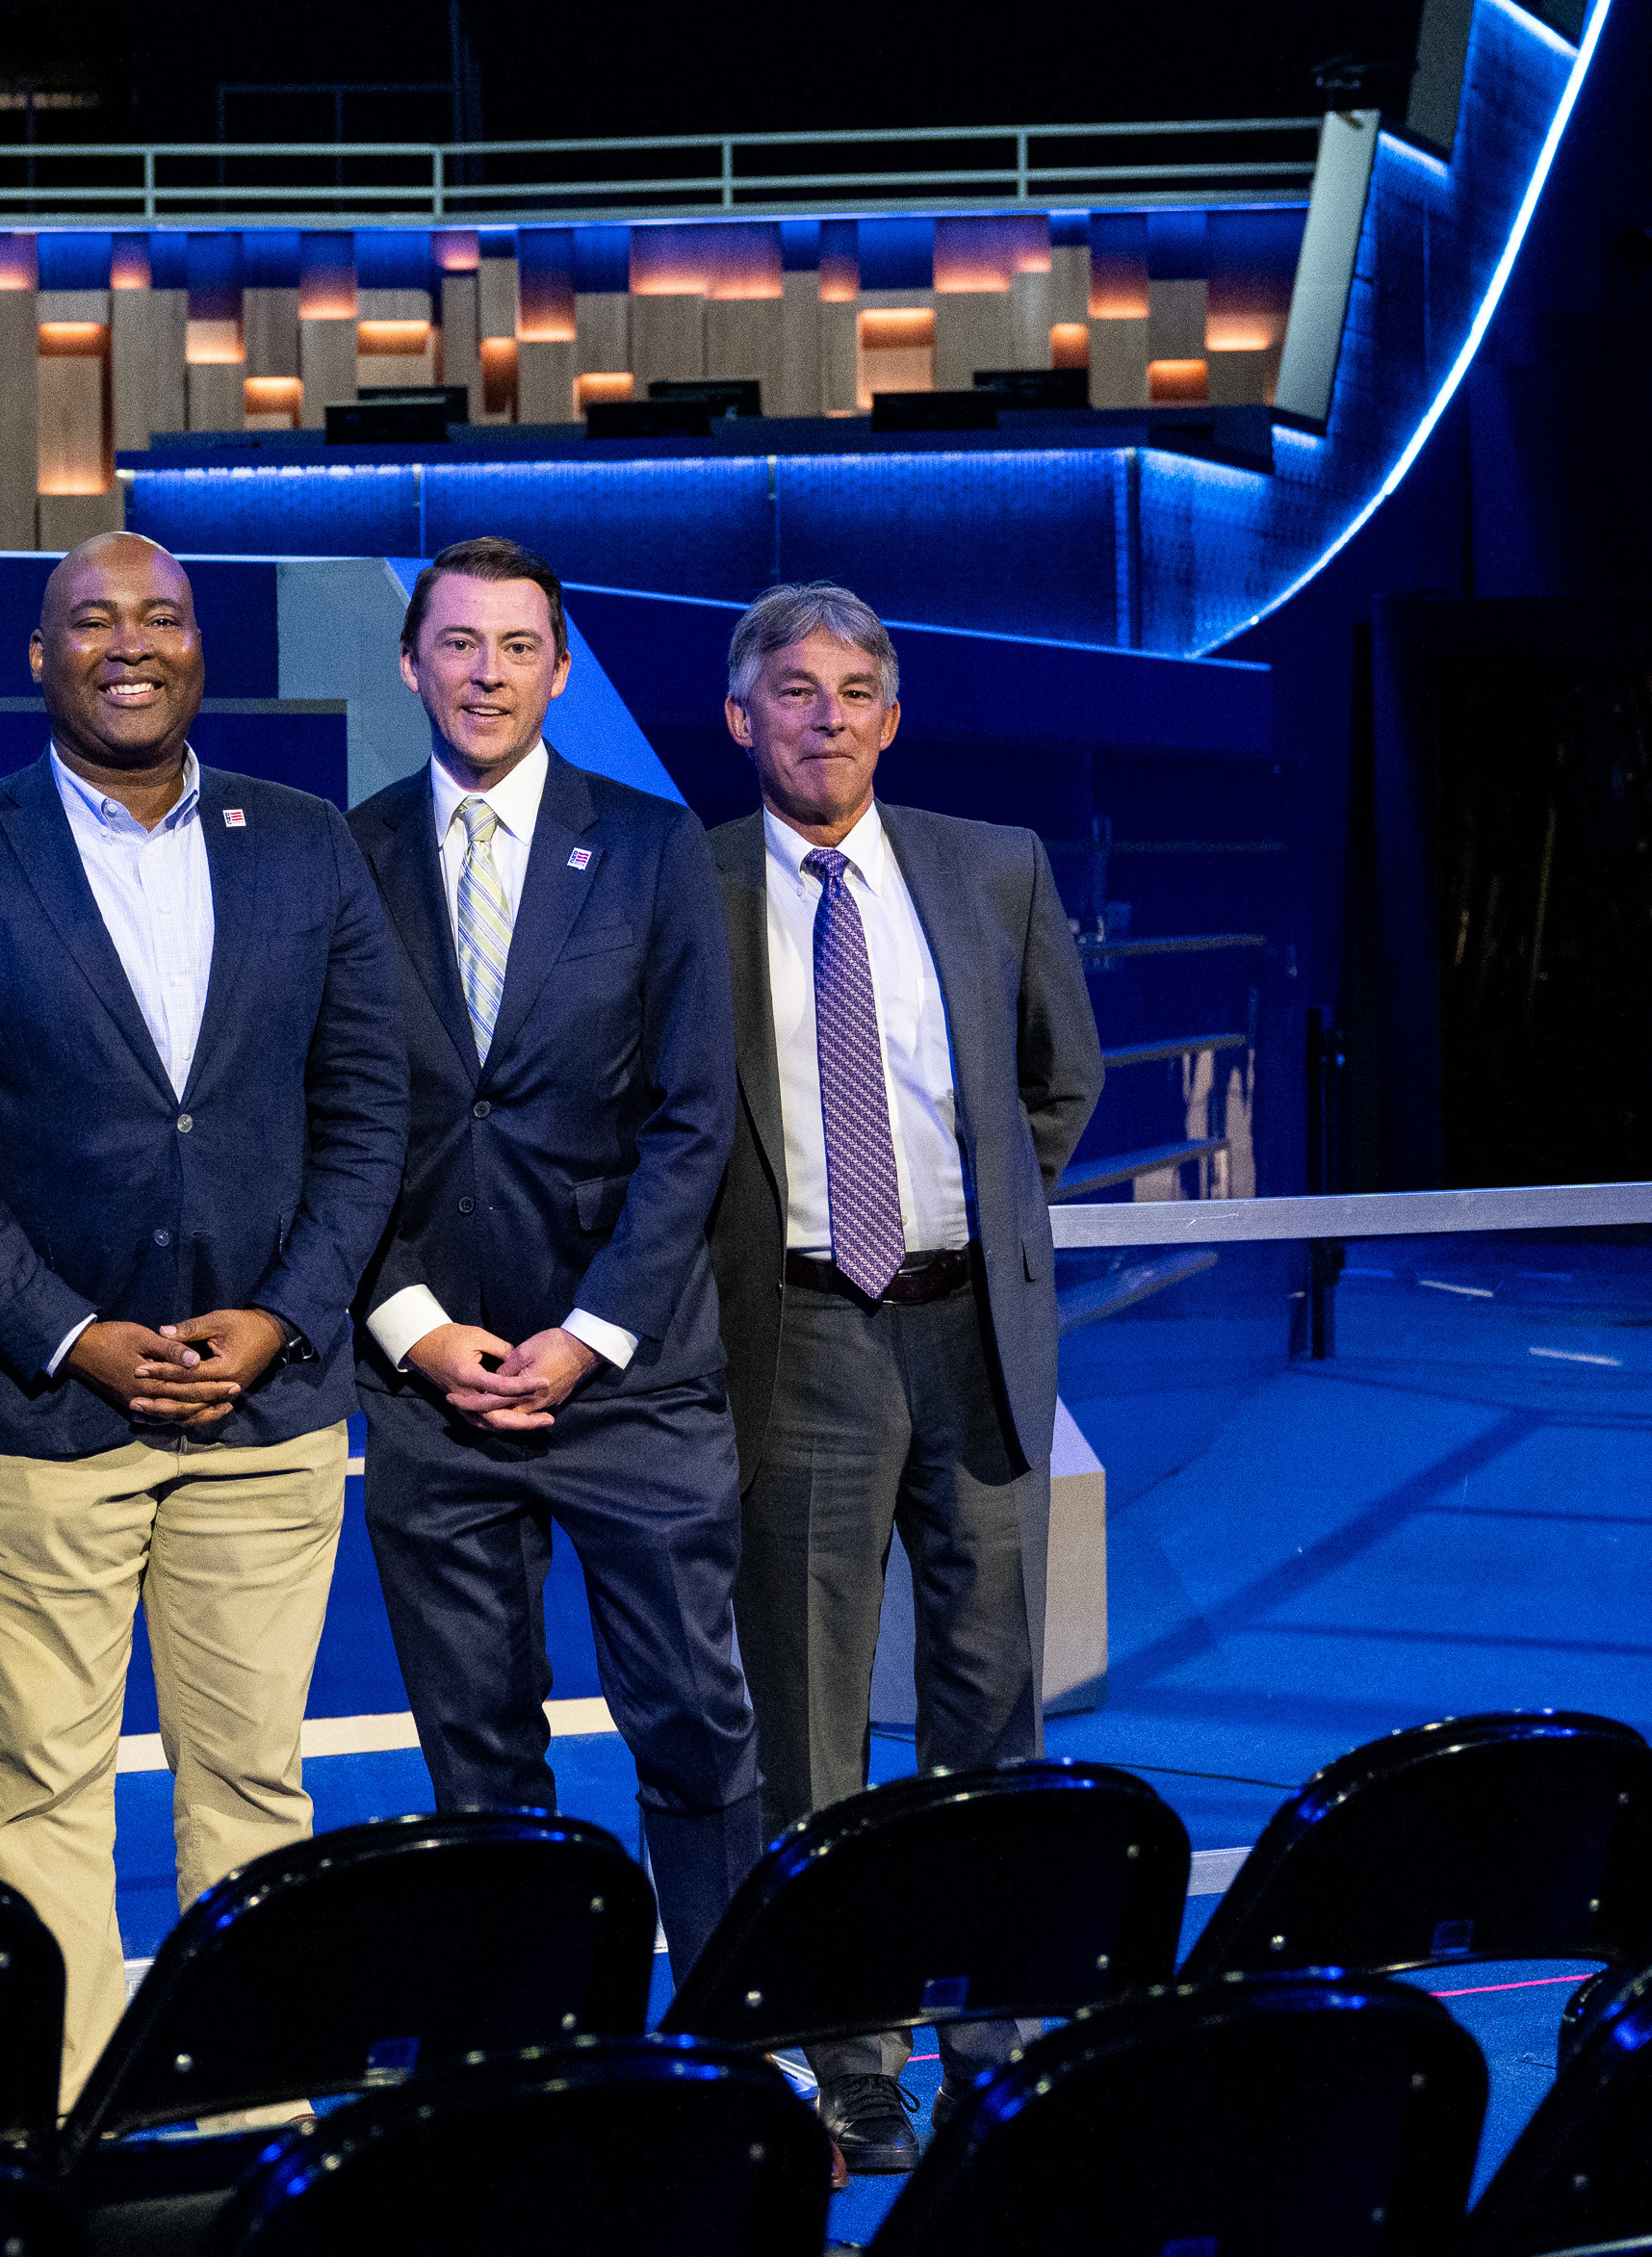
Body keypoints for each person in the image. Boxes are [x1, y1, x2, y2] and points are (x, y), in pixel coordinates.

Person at [0, 530, 411, 2082]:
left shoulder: (306, 844)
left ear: (198, 649)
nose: (129, 642)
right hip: (45, 1411)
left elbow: (369, 1113)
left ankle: (247, 2118)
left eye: (161, 615)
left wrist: (288, 1318)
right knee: (41, 1792)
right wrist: (68, 1328)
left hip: (267, 1411)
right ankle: (72, 2129)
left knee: (255, 1786)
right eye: (91, 618)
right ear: (38, 658)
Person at [709, 579, 1102, 2175]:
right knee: (811, 1727)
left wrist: (980, 1226)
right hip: (796, 1333)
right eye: (792, 688)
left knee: (990, 1705)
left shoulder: (991, 865)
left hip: (973, 1330)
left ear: (893, 710)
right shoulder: (693, 881)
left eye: (855, 686)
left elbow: (1055, 1080)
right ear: (743, 717)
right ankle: (855, 2057)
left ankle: (994, 2035)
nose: (827, 711)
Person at [346, 537, 766, 1982]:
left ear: (560, 667)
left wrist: (593, 1333)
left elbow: (695, 1117)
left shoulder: (653, 850)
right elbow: (326, 1123)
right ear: (412, 664)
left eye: (517, 646)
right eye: (458, 644)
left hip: (633, 1388)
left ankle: (734, 2042)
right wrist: (409, 1324)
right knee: (478, 1766)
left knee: (696, 1730)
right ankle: (532, 2068)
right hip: (429, 1396)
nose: (485, 673)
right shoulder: (342, 857)